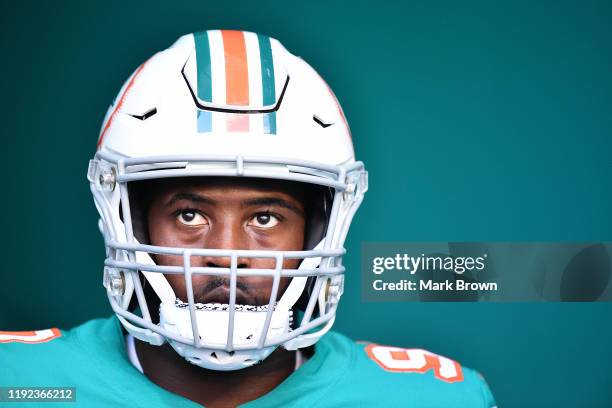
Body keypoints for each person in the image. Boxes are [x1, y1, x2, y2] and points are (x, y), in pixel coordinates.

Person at [0, 30, 496, 407]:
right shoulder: (21, 382)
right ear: (130, 221)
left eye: (266, 218)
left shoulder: (430, 398)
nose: (227, 255)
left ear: (320, 229)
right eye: (189, 214)